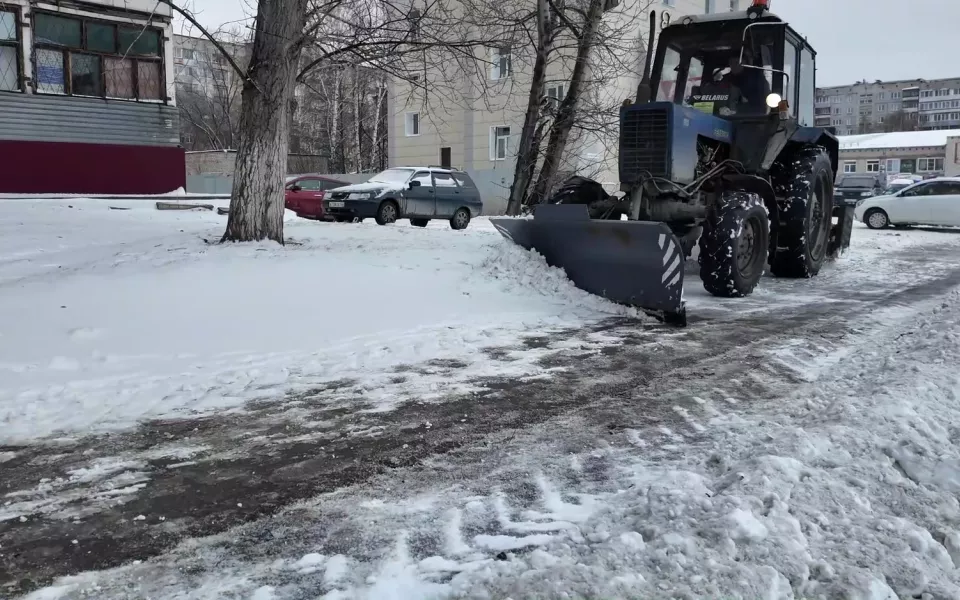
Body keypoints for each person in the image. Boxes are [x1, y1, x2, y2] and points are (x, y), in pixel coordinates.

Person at [721, 48, 771, 114]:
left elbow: (767, 95)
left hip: (760, 111)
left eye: (736, 63)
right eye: (731, 63)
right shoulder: (731, 78)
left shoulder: (756, 76)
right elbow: (733, 99)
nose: (733, 66)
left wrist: (767, 114)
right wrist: (731, 111)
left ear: (744, 63)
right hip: (744, 110)